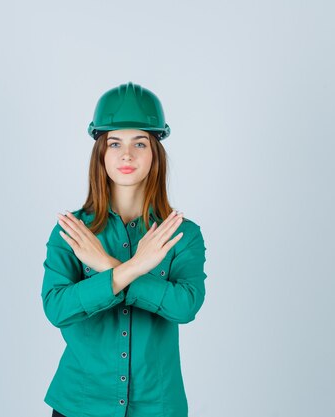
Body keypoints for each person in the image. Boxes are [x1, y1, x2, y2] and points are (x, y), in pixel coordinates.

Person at [41, 81, 208, 417]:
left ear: (155, 152)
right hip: (79, 405)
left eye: (140, 143)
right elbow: (57, 309)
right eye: (115, 143)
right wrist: (132, 267)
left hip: (157, 407)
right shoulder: (73, 233)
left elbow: (185, 306)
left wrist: (106, 267)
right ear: (101, 152)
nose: (127, 155)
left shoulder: (182, 235)